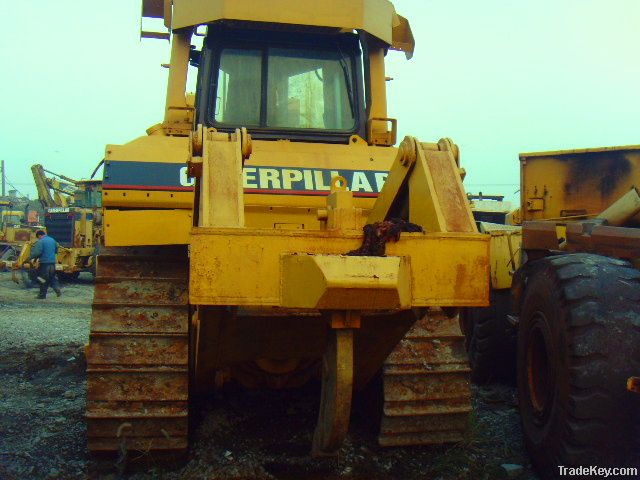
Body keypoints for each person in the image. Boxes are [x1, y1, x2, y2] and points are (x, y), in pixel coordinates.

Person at [28, 230, 62, 299]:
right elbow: (56, 249)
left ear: (39, 236)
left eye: (38, 237)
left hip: (44, 264)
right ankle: (57, 290)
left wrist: (29, 258)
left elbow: (37, 252)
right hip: (52, 263)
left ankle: (42, 295)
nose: (38, 238)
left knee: (42, 279)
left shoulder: (41, 241)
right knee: (52, 278)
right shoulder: (52, 240)